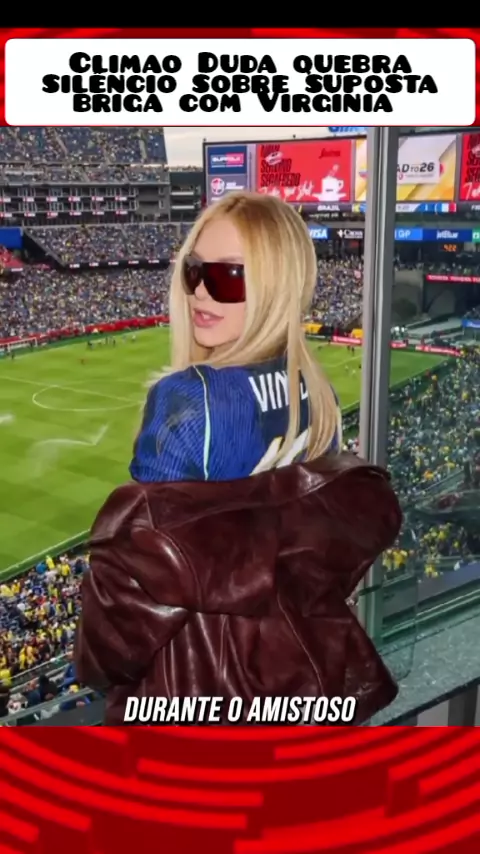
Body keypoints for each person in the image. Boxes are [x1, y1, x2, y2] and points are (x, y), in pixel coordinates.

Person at [76, 192, 401, 725]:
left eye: (228, 276)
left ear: (274, 288)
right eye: (194, 270)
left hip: (195, 698)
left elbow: (131, 602)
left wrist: (95, 663)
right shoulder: (316, 394)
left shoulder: (190, 397)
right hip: (294, 687)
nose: (201, 290)